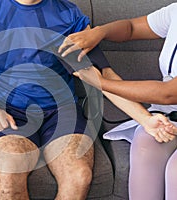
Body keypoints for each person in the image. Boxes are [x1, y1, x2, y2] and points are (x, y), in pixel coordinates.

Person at [0, 0, 175, 199]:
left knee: (78, 176)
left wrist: (146, 120)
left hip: (61, 113)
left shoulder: (68, 15)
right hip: (10, 111)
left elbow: (102, 78)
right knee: (10, 181)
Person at [59, 2, 177, 200]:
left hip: (169, 99)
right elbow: (131, 28)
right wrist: (100, 32)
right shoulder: (176, 11)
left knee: (175, 170)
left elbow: (169, 93)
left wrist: (101, 82)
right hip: (169, 115)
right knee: (146, 143)